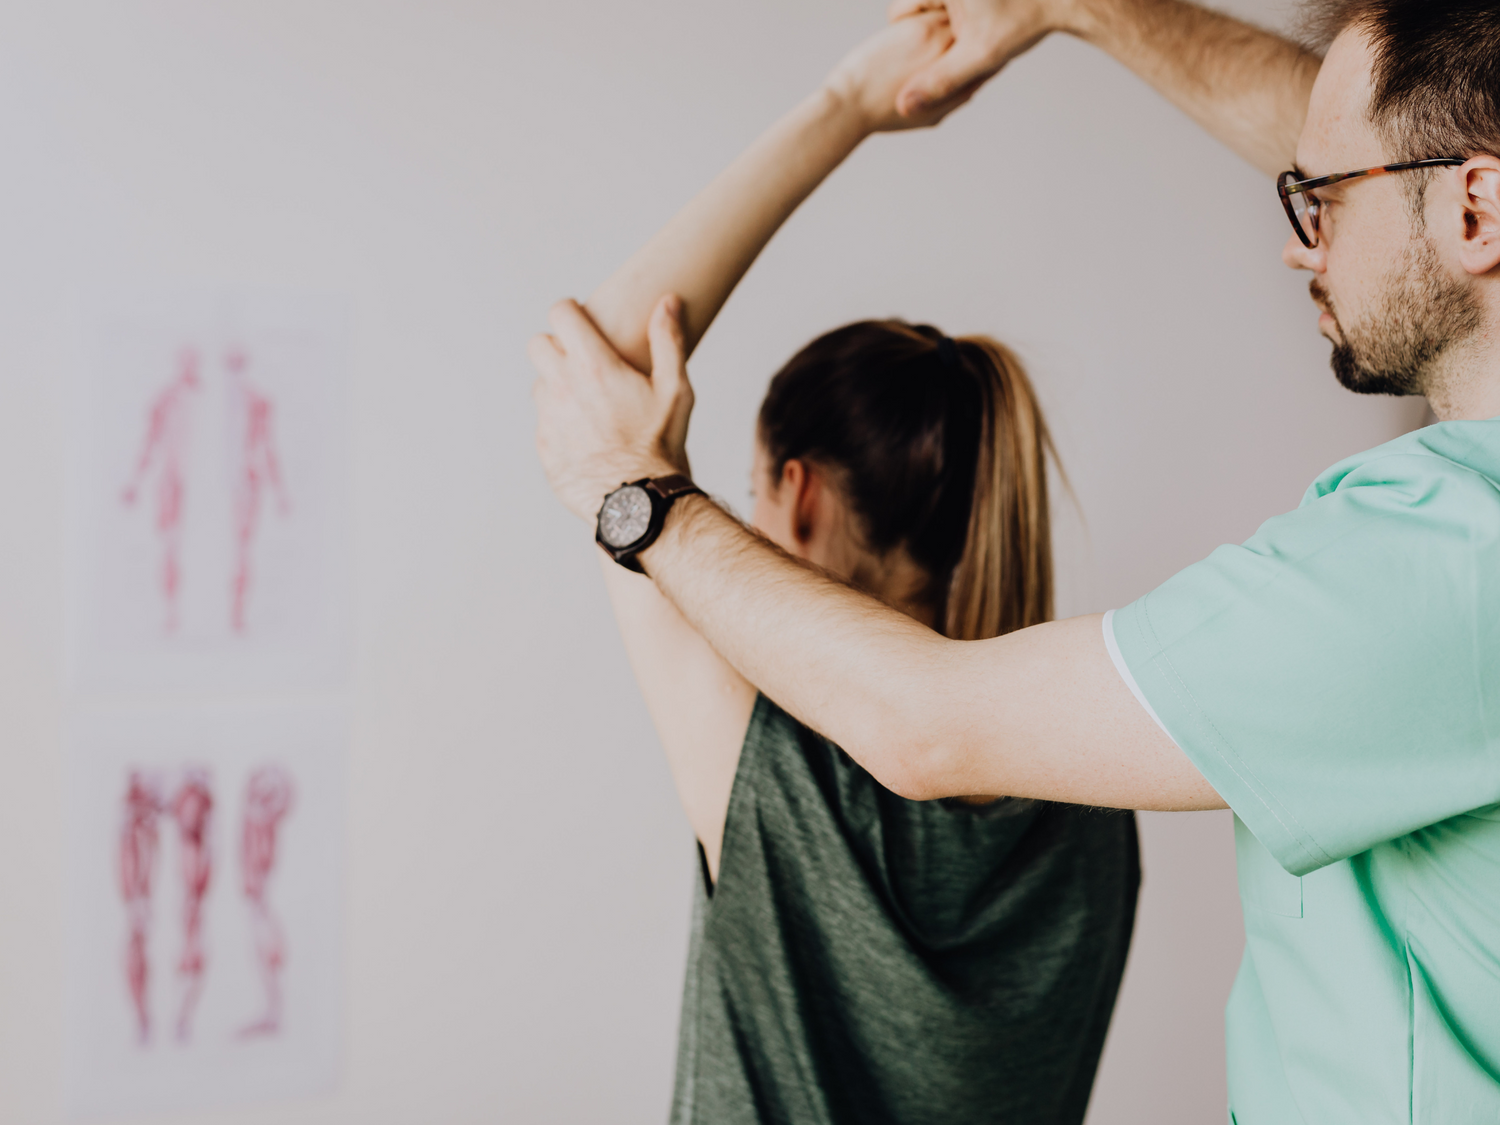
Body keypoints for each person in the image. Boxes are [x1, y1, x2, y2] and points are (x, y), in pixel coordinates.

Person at [530, 0, 1500, 1119]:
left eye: (1318, 199)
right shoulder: (1083, 808)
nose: (1297, 236)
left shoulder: (1436, 562)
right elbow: (1405, 148)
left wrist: (643, 502)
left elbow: (921, 723)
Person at [561, 16, 1139, 1123]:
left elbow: (602, 352)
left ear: (800, 494)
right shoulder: (1093, 790)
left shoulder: (771, 759)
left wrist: (850, 105)